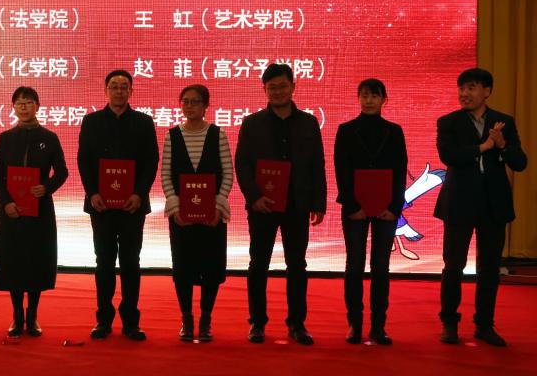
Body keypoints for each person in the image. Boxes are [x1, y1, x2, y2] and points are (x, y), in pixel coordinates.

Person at [435, 67, 527, 347]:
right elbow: (448, 155)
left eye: (471, 88)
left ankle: (484, 325)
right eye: (461, 88)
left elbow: (520, 163)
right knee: (454, 266)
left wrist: (502, 145)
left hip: (493, 204)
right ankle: (450, 323)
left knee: (489, 267)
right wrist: (483, 147)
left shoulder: (504, 122)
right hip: (459, 202)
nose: (464, 93)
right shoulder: (448, 122)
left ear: (487, 91)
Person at [235, 63, 326, 345]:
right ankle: (257, 323)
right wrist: (254, 197)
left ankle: (297, 324)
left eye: (282, 86)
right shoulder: (252, 123)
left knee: (297, 264)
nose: (277, 91)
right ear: (264, 89)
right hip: (262, 206)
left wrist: (318, 202)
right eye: (271, 87)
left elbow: (317, 164)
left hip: (297, 204)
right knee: (258, 263)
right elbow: (242, 164)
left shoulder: (308, 122)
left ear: (293, 87)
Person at [77, 70, 159, 342]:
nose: (119, 91)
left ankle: (131, 322)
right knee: (104, 261)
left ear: (131, 91)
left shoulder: (143, 122)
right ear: (106, 91)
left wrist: (139, 194)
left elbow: (151, 161)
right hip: (101, 204)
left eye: (124, 86)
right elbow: (84, 160)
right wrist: (92, 193)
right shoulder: (91, 122)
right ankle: (103, 320)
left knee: (131, 262)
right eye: (114, 86)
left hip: (132, 205)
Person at [333, 78, 408, 345]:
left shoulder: (395, 131)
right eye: (364, 95)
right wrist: (353, 206)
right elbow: (341, 170)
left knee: (380, 266)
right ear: (358, 98)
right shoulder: (345, 130)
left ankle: (378, 326)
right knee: (354, 265)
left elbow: (400, 171)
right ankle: (354, 324)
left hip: (386, 209)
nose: (369, 100)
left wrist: (394, 207)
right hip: (354, 209)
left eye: (374, 96)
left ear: (384, 100)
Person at [0, 86, 69, 337]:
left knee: (36, 260)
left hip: (40, 210)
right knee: (13, 260)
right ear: (13, 108)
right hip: (11, 211)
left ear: (37, 106)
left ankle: (33, 315)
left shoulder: (50, 137)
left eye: (28, 102)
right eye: (19, 103)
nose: (24, 107)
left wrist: (46, 188)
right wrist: (6, 203)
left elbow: (62, 172)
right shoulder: (5, 138)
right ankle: (17, 316)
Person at [161, 84, 233, 342]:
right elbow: (166, 175)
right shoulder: (172, 136)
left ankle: (205, 320)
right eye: (185, 101)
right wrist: (175, 207)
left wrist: (218, 206)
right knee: (183, 268)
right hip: (182, 216)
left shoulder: (218, 134)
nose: (189, 106)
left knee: (211, 267)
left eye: (195, 102)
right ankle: (187, 319)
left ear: (205, 106)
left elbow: (228, 173)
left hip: (212, 216)